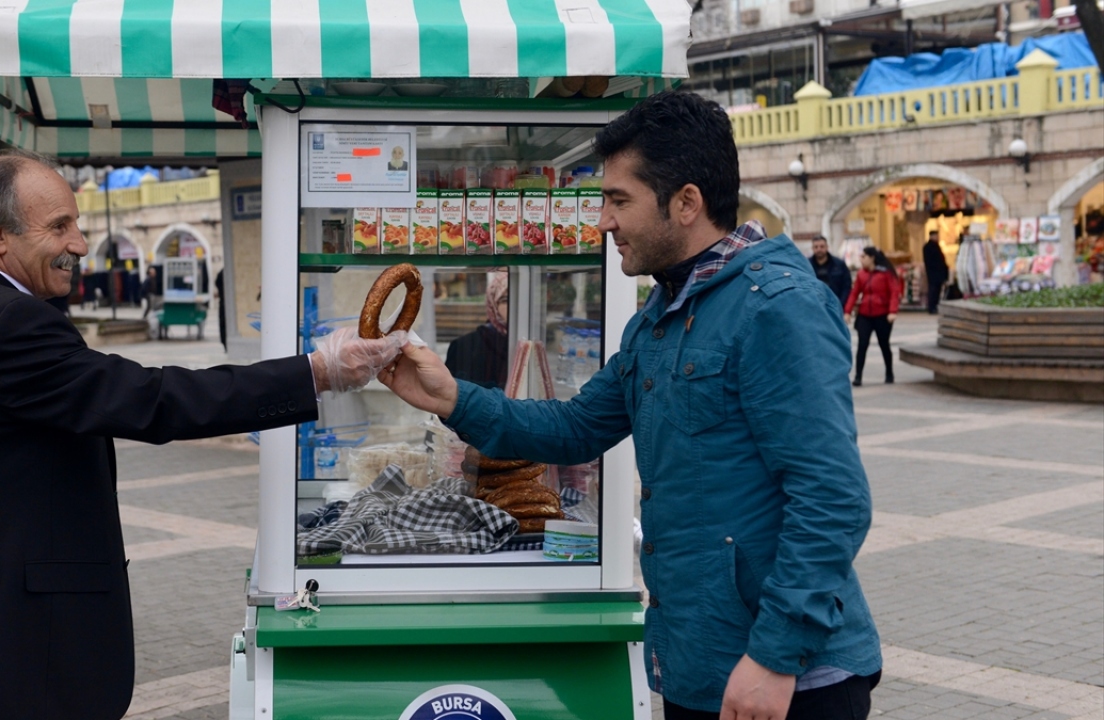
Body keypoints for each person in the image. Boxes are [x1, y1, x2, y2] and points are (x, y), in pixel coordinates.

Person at [0, 150, 405, 720]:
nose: (81, 244)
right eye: (59, 226)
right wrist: (317, 372)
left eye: (78, 224)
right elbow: (150, 399)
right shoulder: (7, 322)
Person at [381, 91, 881, 720]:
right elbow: (575, 428)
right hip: (701, 664)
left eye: (619, 201)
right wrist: (452, 399)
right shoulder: (661, 317)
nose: (603, 222)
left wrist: (776, 657)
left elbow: (832, 498)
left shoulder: (776, 308)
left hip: (787, 682)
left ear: (687, 203)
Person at [845, 246, 901, 386]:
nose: (861, 259)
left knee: (884, 344)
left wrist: (892, 311)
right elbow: (855, 293)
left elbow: (894, 293)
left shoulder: (886, 273)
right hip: (865, 314)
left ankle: (889, 373)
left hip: (882, 315)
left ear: (872, 258)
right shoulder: (861, 274)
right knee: (862, 345)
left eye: (864, 257)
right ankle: (858, 376)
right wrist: (847, 311)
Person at [444, 272, 508, 389]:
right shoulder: (464, 347)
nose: (513, 305)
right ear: (493, 304)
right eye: (505, 300)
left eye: (519, 299)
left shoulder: (532, 341)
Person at [809, 236, 851, 305]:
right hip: (814, 306)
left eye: (822, 246)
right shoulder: (807, 266)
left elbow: (846, 286)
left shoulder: (839, 264)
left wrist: (840, 303)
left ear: (827, 247)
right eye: (816, 247)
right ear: (812, 248)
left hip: (835, 305)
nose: (819, 249)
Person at [922, 231, 949, 314]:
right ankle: (932, 307)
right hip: (933, 273)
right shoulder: (928, 247)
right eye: (936, 236)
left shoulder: (936, 246)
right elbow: (930, 261)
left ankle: (935, 306)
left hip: (938, 273)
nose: (937, 237)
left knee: (937, 290)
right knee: (933, 290)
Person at [215, 267, 226, 351]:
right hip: (224, 301)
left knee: (223, 323)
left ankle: (224, 343)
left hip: (223, 302)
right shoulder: (225, 272)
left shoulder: (222, 272)